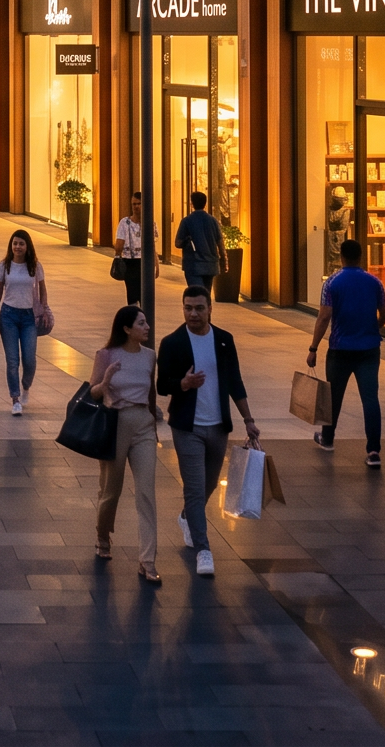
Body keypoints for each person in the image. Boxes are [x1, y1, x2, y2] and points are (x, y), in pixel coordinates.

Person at [157, 286, 260, 579]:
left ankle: (188, 516)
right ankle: (203, 549)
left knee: (210, 483)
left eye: (199, 308)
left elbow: (235, 382)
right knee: (194, 487)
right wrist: (183, 385)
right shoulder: (173, 343)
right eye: (188, 308)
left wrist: (248, 419)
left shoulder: (224, 341)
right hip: (186, 427)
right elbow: (162, 385)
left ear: (210, 308)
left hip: (218, 427)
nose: (193, 314)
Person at [89, 304, 161, 582]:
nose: (147, 327)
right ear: (127, 329)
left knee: (146, 493)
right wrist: (105, 382)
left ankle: (148, 560)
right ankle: (102, 535)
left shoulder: (150, 357)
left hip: (143, 424)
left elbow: (151, 391)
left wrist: (154, 423)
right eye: (141, 324)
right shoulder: (106, 355)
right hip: (115, 424)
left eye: (146, 323)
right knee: (111, 491)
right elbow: (93, 392)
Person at [306, 237, 385, 467]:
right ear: (361, 256)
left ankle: (328, 438)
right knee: (370, 399)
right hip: (369, 349)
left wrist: (313, 348)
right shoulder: (375, 282)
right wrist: (374, 328)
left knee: (333, 397)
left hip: (340, 349)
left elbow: (324, 317)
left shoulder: (332, 283)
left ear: (341, 256)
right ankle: (373, 451)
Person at [0, 229, 49, 415]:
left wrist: (43, 308)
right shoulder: (4, 266)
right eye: (14, 243)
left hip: (29, 317)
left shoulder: (35, 266)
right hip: (8, 316)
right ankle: (15, 399)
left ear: (27, 247)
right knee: (12, 361)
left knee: (29, 360)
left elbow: (43, 290)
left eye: (21, 243)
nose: (17, 247)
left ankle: (26, 385)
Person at [174, 192, 224, 295]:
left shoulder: (187, 221)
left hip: (193, 265)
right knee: (206, 294)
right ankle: (206, 310)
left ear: (191, 203)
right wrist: (223, 259)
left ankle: (200, 309)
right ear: (205, 203)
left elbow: (178, 243)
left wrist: (186, 241)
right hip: (210, 264)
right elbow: (220, 241)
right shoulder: (213, 221)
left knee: (197, 295)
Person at [112, 200, 144, 309]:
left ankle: (137, 313)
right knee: (133, 290)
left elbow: (152, 244)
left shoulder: (150, 223)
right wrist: (118, 255)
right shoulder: (125, 222)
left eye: (139, 203)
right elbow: (119, 242)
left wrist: (156, 265)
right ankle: (136, 312)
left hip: (141, 261)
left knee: (135, 291)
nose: (136, 206)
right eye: (134, 204)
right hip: (129, 260)